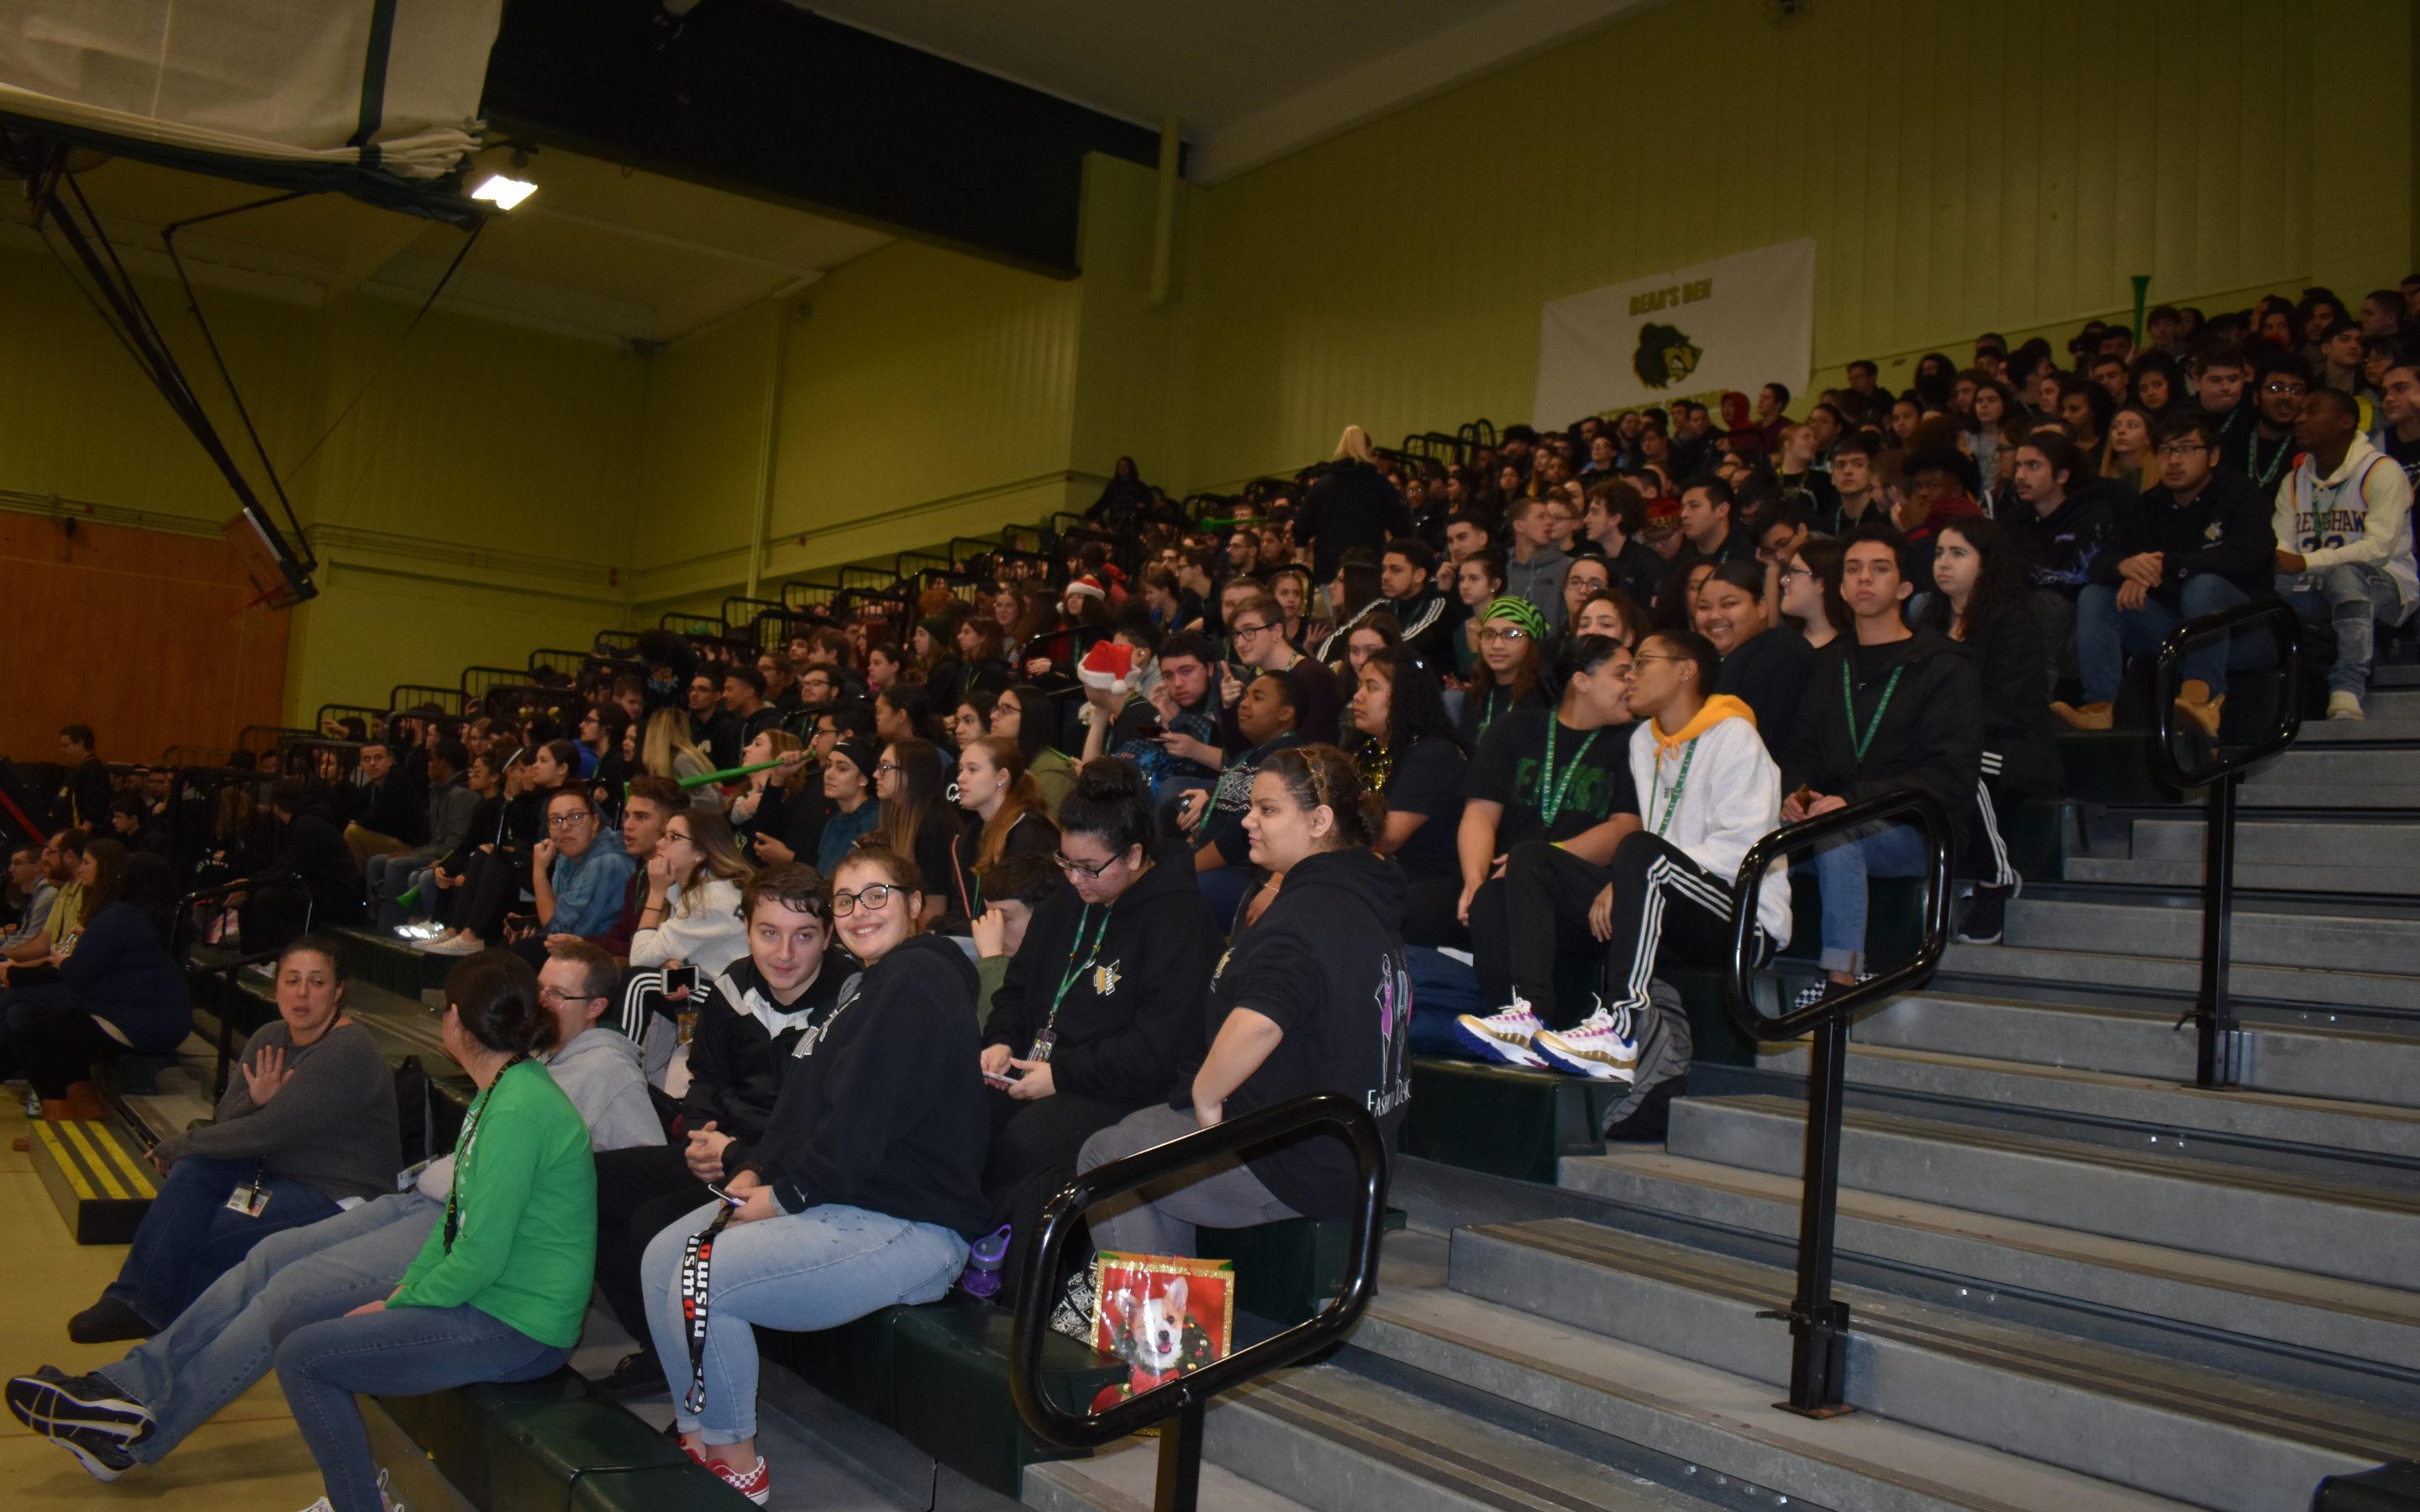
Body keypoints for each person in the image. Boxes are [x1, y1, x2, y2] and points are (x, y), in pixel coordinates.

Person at [13, 941, 659, 1483]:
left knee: (289, 1295)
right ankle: (126, 1391)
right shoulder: (515, 1075)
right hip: (425, 1201)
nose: (541, 1004)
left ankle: (131, 1431)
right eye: (539, 990)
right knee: (266, 1256)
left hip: (472, 1250)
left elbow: (611, 1184)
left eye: (556, 994)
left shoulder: (573, 1080)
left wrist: (409, 1296)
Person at [637, 845, 989, 1506]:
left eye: (878, 895)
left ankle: (735, 1467)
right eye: (846, 900)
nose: (860, 912)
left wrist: (782, 1197)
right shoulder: (868, 990)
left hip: (908, 1225)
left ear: (916, 904)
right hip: (844, 1204)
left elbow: (867, 1117)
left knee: (701, 1273)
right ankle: (699, 1436)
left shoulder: (920, 977)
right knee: (664, 1257)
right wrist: (757, 1169)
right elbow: (806, 1112)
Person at [271, 951, 598, 1512]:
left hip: (521, 1326)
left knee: (303, 1358)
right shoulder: (500, 1091)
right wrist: (408, 1289)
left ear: (456, 1020)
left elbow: (482, 1256)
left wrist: (401, 1303)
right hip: (490, 1297)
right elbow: (454, 1225)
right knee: (294, 1322)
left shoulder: (517, 1110)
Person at [1076, 745, 1410, 1259]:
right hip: (1356, 1150)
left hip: (1297, 1161)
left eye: (1268, 810)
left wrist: (1207, 1096)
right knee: (1141, 1134)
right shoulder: (1361, 894)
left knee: (1106, 1156)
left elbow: (1260, 1023)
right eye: (1252, 807)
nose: (1248, 821)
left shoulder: (1306, 915)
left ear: (1319, 821)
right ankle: (1177, 1306)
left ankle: (1152, 1315)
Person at [1462, 629, 1790, 1078]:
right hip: (1662, 900)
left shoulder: (1735, 736)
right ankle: (1530, 1015)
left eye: (1644, 662)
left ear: (1685, 671)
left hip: (1740, 916)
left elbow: (1742, 850)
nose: (1631, 675)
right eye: (1629, 666)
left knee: (1638, 849)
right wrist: (1637, 876)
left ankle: (1620, 1029)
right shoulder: (1642, 742)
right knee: (1530, 858)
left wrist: (1639, 873)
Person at [62, 919, 396, 1345]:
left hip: (337, 1192)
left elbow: (269, 1131)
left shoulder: (348, 1050)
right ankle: (134, 1302)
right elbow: (229, 1120)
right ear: (276, 987)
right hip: (276, 1173)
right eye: (292, 980)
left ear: (337, 991)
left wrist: (180, 1143)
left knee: (216, 1230)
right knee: (196, 1170)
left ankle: (175, 1337)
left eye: (317, 982)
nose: (302, 993)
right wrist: (255, 1099)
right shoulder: (271, 1036)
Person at [591, 869, 841, 1391]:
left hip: (785, 1173)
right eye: (768, 932)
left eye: (804, 935)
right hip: (722, 1151)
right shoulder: (733, 984)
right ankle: (661, 1349)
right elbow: (706, 1077)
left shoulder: (850, 1001)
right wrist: (700, 1135)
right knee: (587, 1181)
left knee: (655, 1223)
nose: (784, 953)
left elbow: (822, 1120)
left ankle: (695, 1370)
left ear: (829, 936)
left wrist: (735, 1157)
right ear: (746, 929)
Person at [979, 758, 1218, 1293]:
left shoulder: (1178, 923)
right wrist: (999, 1040)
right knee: (961, 1111)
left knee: (1027, 1141)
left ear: (1133, 855)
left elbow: (1156, 1051)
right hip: (1040, 1071)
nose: (1074, 878)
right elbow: (1016, 988)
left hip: (1125, 1092)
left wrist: (1062, 1075)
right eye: (1066, 862)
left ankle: (1010, 1277)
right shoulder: (1065, 904)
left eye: (1090, 867)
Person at [1781, 528, 1982, 1006]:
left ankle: (1841, 983)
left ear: (1905, 587)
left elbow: (1948, 775)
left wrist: (1852, 802)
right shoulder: (1829, 663)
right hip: (1836, 815)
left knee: (1837, 833)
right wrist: (1798, 795)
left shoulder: (1944, 666)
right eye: (1853, 569)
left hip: (1916, 828)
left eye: (1879, 568)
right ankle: (1749, 958)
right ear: (1840, 588)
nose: (1864, 578)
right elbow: (1802, 750)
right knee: (1754, 828)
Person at [1450, 635, 1642, 1026]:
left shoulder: (1633, 740)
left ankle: (1531, 1017)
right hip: (1506, 883)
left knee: (1522, 867)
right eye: (1622, 674)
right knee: (1465, 900)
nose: (1632, 684)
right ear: (1581, 681)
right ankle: (1510, 1022)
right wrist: (1474, 879)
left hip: (1585, 893)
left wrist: (1540, 861)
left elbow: (1625, 829)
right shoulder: (1515, 728)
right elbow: (1480, 812)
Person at [2057, 413, 2277, 737]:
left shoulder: (2242, 496)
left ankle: (2200, 702)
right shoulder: (2150, 505)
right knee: (2096, 596)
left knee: (2203, 586)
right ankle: (2100, 707)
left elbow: (2243, 557)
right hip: (2177, 631)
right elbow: (2098, 563)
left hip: (2245, 631)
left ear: (2213, 456)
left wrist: (2164, 567)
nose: (2174, 460)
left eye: (2186, 449)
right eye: (2165, 450)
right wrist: (2125, 568)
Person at [1918, 518, 2059, 944]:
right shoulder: (1929, 622)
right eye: (1939, 553)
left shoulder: (2014, 620)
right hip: (1948, 742)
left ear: (1986, 563)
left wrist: (1944, 729)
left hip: (2014, 749)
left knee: (1961, 761)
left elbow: (2012, 705)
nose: (1944, 563)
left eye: (1958, 553)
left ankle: (1996, 881)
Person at [1, 853, 184, 1135]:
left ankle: (59, 1125)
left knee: (32, 1037)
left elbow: (78, 969)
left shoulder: (120, 916)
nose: (81, 869)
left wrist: (62, 960)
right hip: (153, 1017)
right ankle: (85, 1108)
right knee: (52, 1032)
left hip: (132, 1021)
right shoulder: (151, 916)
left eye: (87, 863)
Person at [2273, 386, 2417, 720]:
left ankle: (2347, 688)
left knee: (2344, 576)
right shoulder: (2293, 480)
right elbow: (2283, 545)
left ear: (2346, 421)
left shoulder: (2382, 470)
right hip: (2315, 581)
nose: (2300, 418)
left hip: (2386, 582)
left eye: (2313, 410)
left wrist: (2306, 561)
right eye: (2300, 412)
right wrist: (2289, 563)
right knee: (2265, 587)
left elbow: (2379, 548)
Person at [621, 805, 755, 1051]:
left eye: (673, 837)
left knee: (638, 981)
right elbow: (657, 955)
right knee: (659, 980)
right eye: (664, 835)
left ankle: (618, 1060)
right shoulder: (705, 889)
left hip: (740, 1005)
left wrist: (656, 892)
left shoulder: (710, 899)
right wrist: (666, 963)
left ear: (700, 853)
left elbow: (639, 959)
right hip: (716, 987)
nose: (660, 843)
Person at [1181, 669, 1307, 925]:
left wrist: (1184, 867)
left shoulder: (1287, 761)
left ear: (1286, 712)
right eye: (1245, 696)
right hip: (1212, 859)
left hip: (1247, 873)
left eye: (1257, 698)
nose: (1244, 704)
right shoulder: (1246, 757)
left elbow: (1238, 838)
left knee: (1174, 891)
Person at [1347, 648, 1468, 891]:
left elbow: (1387, 837)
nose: (1357, 697)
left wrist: (1323, 832)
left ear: (1405, 696)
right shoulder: (1366, 751)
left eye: (1372, 687)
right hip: (1377, 875)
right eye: (1359, 686)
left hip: (1424, 886)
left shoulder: (1434, 754)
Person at [2000, 432, 2112, 690]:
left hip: (2078, 625)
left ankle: (2036, 706)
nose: (2020, 476)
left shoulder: (2091, 513)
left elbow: (2080, 576)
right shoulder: (2015, 517)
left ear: (2062, 475)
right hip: (2025, 612)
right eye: (2018, 466)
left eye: (2033, 466)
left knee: (2045, 603)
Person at [1701, 559, 1815, 754]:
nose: (1714, 615)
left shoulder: (1781, 653)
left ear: (1762, 606)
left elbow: (1761, 743)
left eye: (1729, 604)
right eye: (1703, 607)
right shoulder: (1708, 662)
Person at [944, 736, 1060, 927]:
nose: (960, 778)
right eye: (960, 769)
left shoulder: (1030, 833)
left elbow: (1025, 911)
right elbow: (963, 907)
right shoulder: (972, 834)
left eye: (973, 770)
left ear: (1002, 777)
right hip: (983, 932)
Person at [1219, 593, 1343, 745]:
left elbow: (1308, 747)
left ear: (1277, 632)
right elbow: (1241, 753)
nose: (1240, 643)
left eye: (1250, 631)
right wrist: (1228, 706)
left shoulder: (1314, 676)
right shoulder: (1254, 683)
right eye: (1235, 634)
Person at [1297, 426, 1409, 583]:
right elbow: (1403, 526)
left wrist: (1300, 561)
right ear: (1368, 450)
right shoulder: (1380, 484)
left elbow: (1301, 527)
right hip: (1369, 567)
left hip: (1329, 569)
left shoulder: (1322, 485)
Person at [873, 738, 959, 929]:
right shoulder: (901, 820)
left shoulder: (934, 824)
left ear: (912, 773)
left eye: (885, 768)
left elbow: (935, 907)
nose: (876, 774)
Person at [532, 787, 636, 942]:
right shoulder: (566, 857)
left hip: (603, 953)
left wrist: (539, 872)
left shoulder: (604, 865)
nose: (565, 827)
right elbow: (558, 916)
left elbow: (558, 935)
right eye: (556, 820)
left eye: (575, 817)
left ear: (595, 822)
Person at [1457, 596, 1554, 748]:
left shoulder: (1543, 696)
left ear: (1531, 642)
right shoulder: (1475, 695)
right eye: (1489, 634)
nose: (1497, 645)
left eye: (1511, 635)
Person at [992, 684, 1077, 821]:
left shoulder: (1052, 772)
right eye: (996, 709)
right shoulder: (1005, 761)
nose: (993, 716)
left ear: (1031, 716)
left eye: (1006, 709)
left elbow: (1048, 829)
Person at [813, 737, 881, 874]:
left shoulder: (875, 822)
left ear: (863, 779)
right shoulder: (833, 823)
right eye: (828, 766)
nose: (829, 774)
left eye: (842, 769)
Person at [1780, 538, 1849, 651]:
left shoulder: (1851, 649)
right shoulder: (1783, 641)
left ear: (1821, 584)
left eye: (1795, 571)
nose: (1783, 580)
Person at [51, 724, 112, 833]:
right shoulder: (79, 768)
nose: (62, 750)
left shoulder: (95, 770)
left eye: (65, 745)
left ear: (80, 744)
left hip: (77, 834)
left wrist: (84, 830)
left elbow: (96, 804)